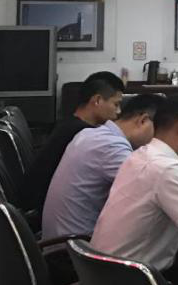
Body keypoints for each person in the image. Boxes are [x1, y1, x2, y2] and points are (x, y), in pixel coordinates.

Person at [90, 95, 178, 285]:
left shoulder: (142, 154)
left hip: (104, 272)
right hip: (133, 283)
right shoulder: (166, 167)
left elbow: (155, 196)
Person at [41, 93, 160, 238]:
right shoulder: (112, 146)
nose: (158, 139)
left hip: (60, 237)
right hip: (75, 245)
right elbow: (153, 189)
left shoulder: (91, 133)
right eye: (159, 131)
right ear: (143, 120)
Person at [21, 71, 125, 212]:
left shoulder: (68, 124)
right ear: (97, 100)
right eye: (116, 104)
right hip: (42, 209)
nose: (118, 111)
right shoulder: (84, 135)